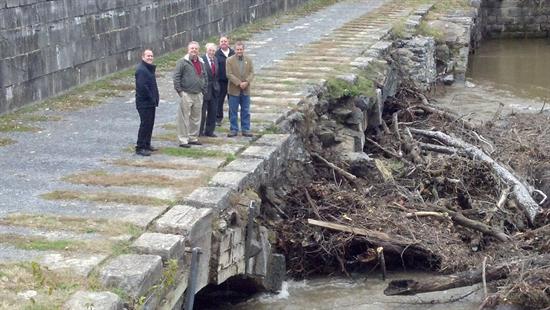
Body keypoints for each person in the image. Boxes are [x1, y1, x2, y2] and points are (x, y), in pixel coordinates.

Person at [173, 41, 207, 147]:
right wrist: (180, 92)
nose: (194, 50)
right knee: (183, 119)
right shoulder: (182, 62)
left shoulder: (201, 62)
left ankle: (193, 138)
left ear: (198, 50)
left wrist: (203, 89)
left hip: (198, 94)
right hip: (186, 94)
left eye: (196, 49)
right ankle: (183, 140)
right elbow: (176, 77)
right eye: (192, 48)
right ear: (188, 50)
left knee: (196, 118)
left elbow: (205, 76)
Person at [226, 41, 254, 137]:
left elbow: (252, 73)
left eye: (241, 49)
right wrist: (239, 83)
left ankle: (245, 129)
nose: (239, 51)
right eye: (237, 49)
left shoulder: (249, 60)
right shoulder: (229, 60)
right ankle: (234, 129)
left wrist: (246, 81)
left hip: (246, 90)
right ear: (235, 50)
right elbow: (229, 74)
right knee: (233, 110)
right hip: (234, 90)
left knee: (245, 110)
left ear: (243, 50)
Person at [134, 49, 159, 156]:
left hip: (150, 102)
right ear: (143, 57)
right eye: (148, 56)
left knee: (150, 123)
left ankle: (147, 144)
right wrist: (151, 98)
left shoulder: (147, 69)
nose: (150, 58)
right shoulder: (141, 70)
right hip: (144, 103)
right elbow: (142, 87)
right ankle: (140, 147)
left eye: (151, 56)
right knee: (145, 124)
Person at [200, 43, 220, 137]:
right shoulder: (202, 60)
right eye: (210, 50)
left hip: (214, 89)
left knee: (213, 111)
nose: (211, 52)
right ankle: (199, 131)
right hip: (205, 89)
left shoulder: (215, 59)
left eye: (213, 51)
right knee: (202, 112)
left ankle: (209, 131)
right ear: (206, 50)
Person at [214, 36, 235, 126]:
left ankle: (232, 118)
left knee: (232, 101)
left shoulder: (233, 53)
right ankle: (218, 118)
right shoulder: (216, 54)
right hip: (221, 81)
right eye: (222, 41)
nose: (223, 42)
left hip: (232, 82)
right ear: (219, 43)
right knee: (219, 100)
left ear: (228, 42)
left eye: (225, 41)